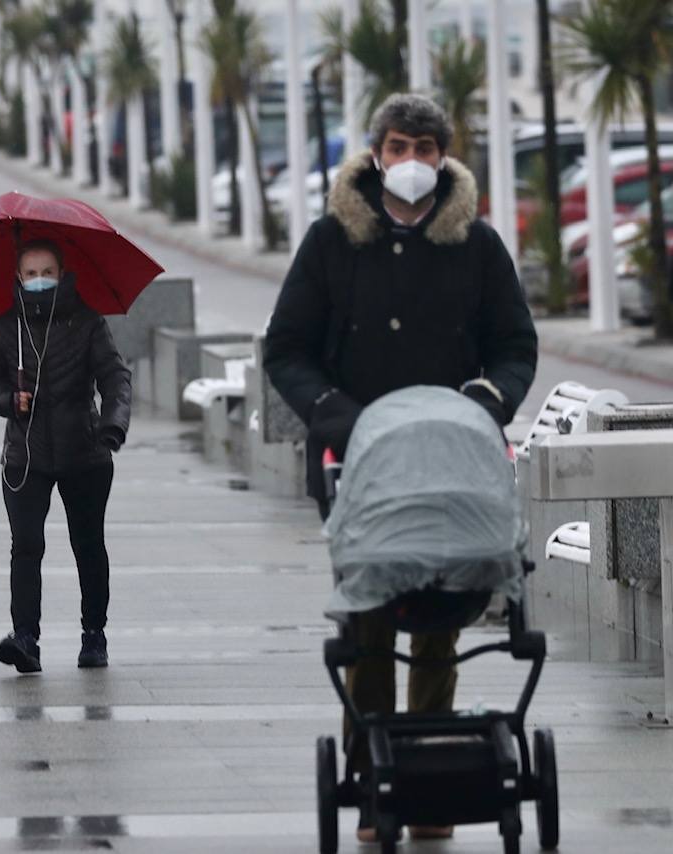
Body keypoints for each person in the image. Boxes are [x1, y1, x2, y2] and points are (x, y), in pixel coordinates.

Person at [262, 93, 538, 844]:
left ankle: (433, 782)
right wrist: (332, 410)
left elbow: (515, 346)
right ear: (375, 153)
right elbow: (285, 347)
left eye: (424, 147)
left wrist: (488, 398)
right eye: (397, 146)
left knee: (443, 614)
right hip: (359, 459)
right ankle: (379, 777)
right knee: (373, 614)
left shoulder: (474, 246)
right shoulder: (331, 242)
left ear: (442, 157)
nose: (410, 162)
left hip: (450, 461)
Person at [0, 239, 132, 674]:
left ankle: (94, 635)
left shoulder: (87, 323)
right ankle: (26, 638)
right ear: (18, 278)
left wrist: (112, 426)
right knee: (26, 547)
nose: (39, 280)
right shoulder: (5, 328)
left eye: (46, 271)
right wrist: (11, 399)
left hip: (84, 452)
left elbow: (116, 377)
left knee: (88, 546)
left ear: (62, 273)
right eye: (30, 273)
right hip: (25, 456)